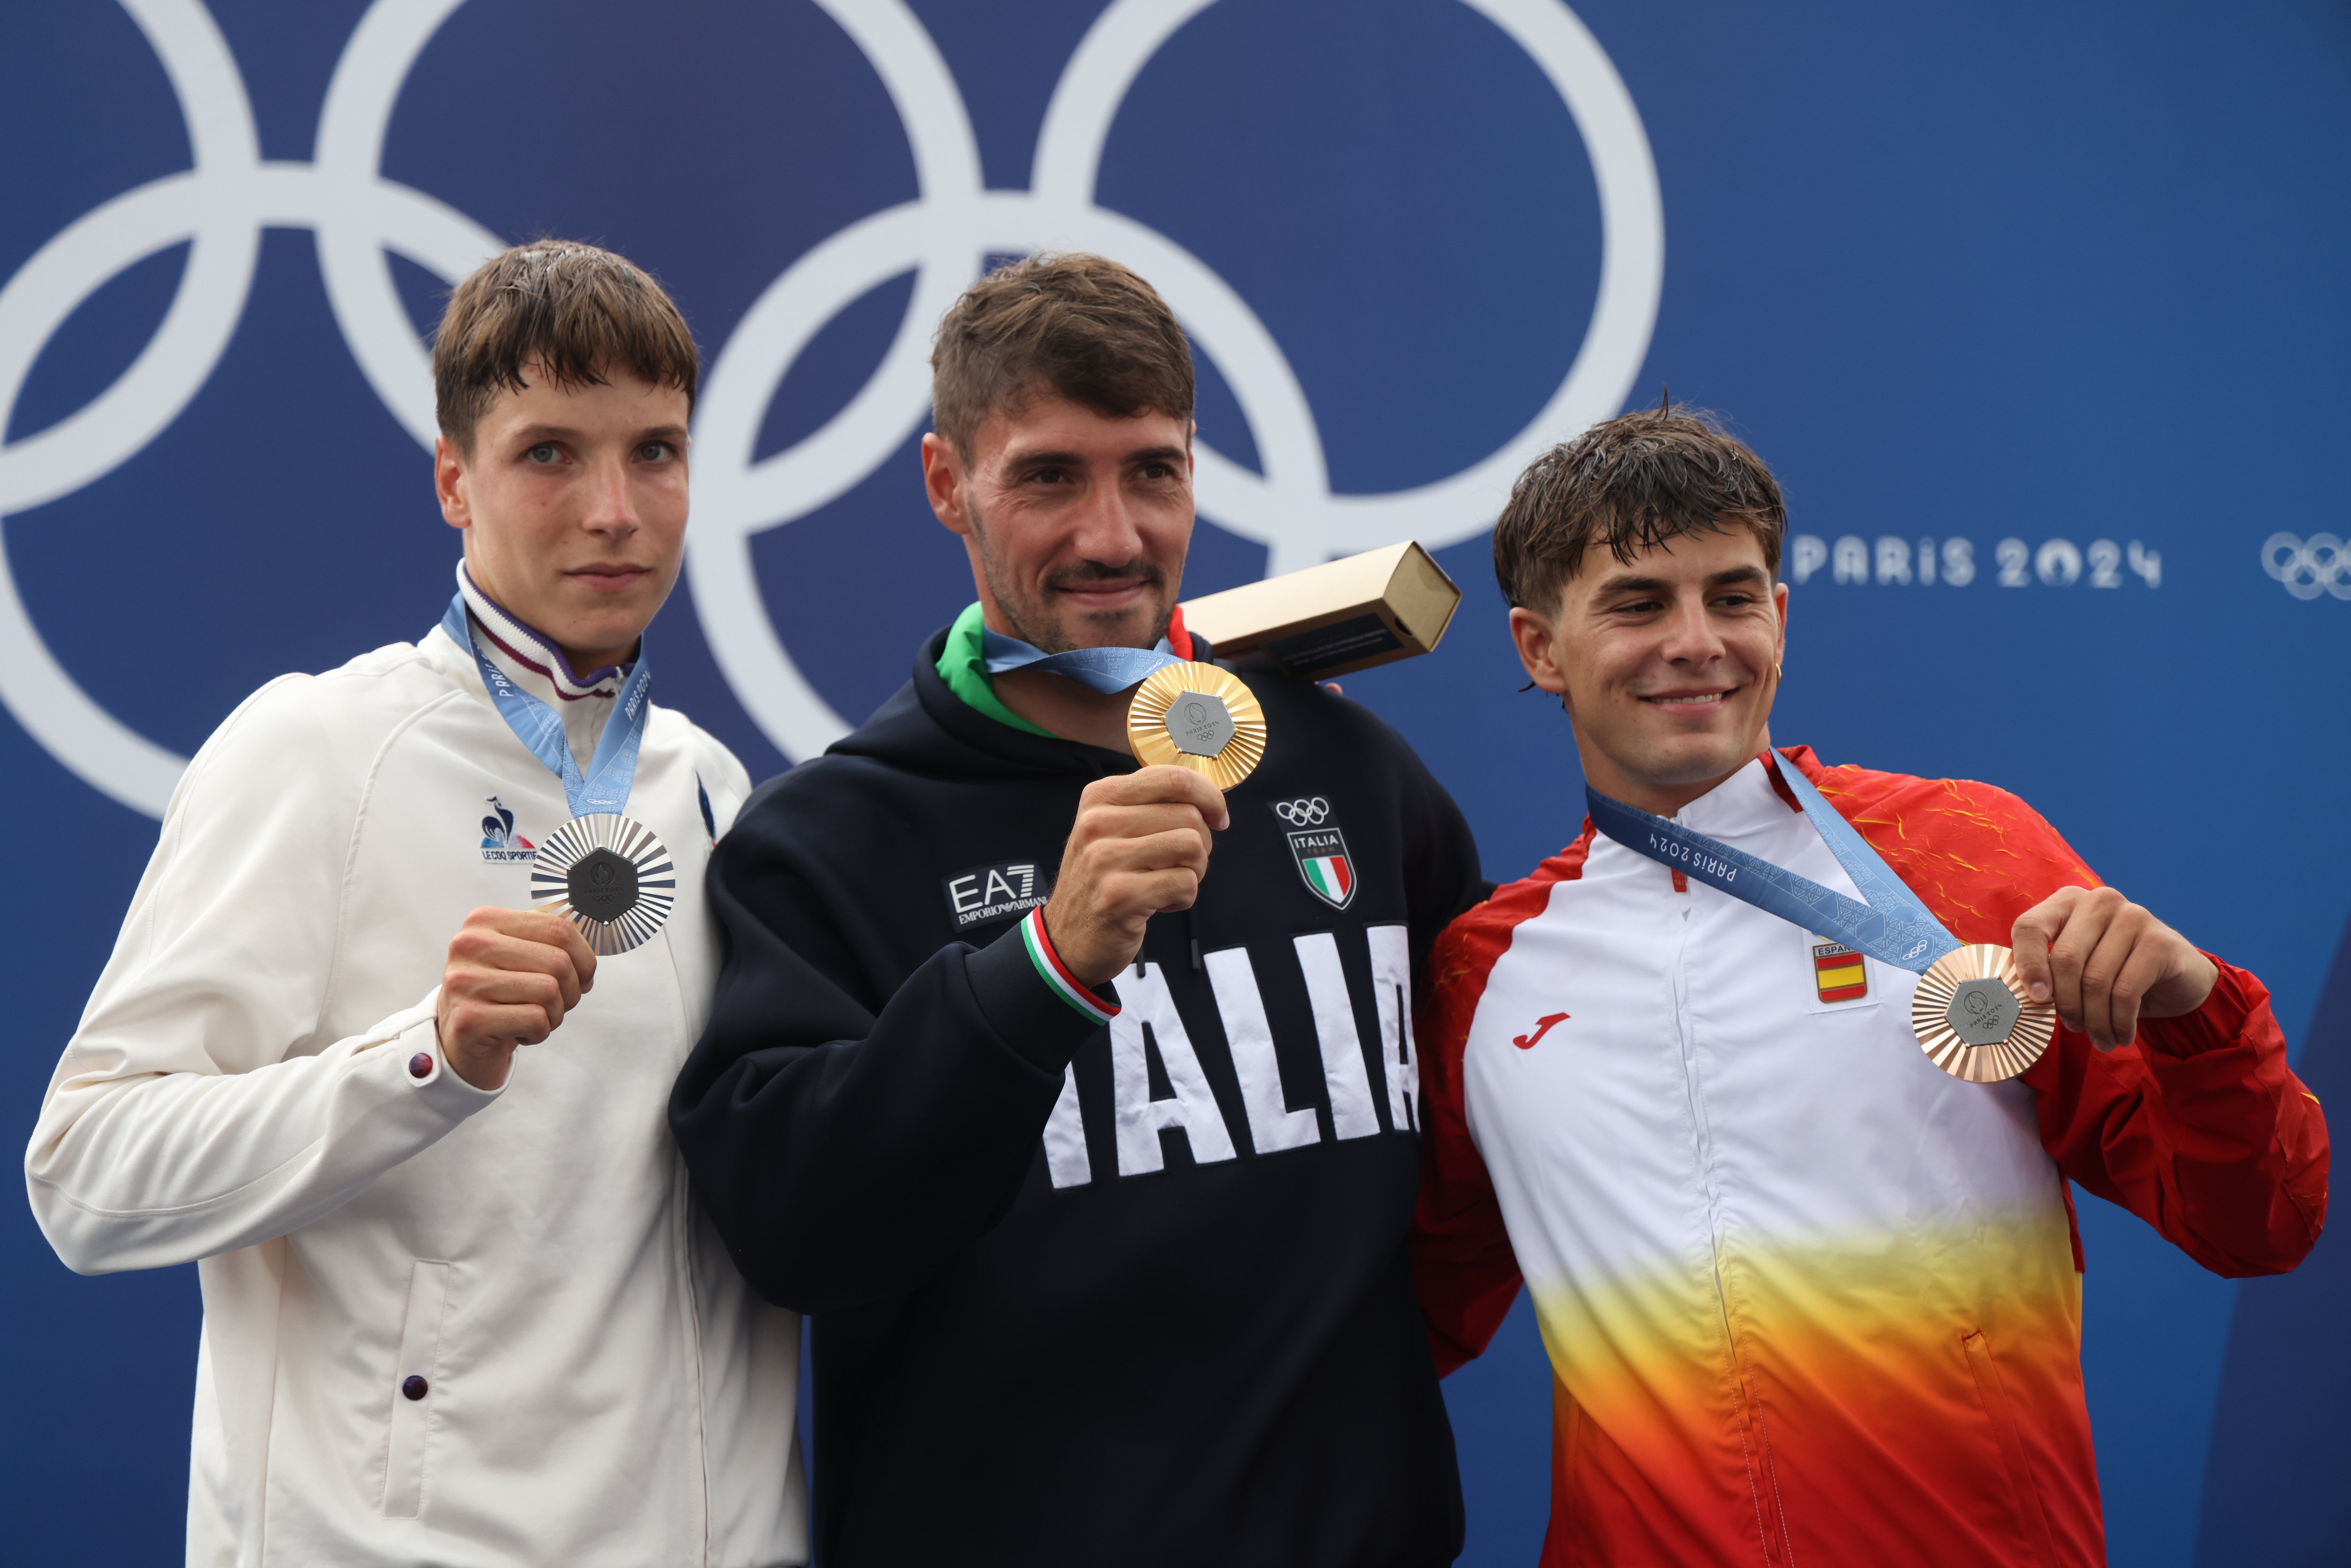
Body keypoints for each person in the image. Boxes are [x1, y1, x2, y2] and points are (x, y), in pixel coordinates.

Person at [671, 252, 1485, 1567]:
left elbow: (1501, 1111)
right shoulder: (825, 840)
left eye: (1151, 471)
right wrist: (1038, 968)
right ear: (950, 486)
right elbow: (797, 1238)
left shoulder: (1342, 767)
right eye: (1049, 476)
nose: (1113, 536)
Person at [1411, 404, 2330, 1567]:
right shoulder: (1485, 970)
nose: (1696, 640)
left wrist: (2201, 1016)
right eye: (1638, 603)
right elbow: (1405, 1321)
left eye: (1732, 597)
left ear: (1780, 622)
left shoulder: (1968, 859)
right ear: (1540, 649)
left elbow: (2259, 1225)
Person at [24, 242, 805, 1566]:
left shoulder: (712, 785)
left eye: (656, 452)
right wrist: (423, 1061)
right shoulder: (317, 750)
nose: (615, 509)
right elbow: (88, 1180)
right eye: (550, 453)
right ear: (455, 480)